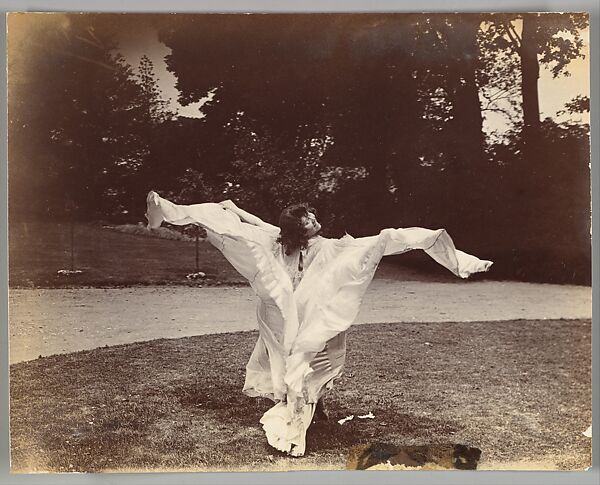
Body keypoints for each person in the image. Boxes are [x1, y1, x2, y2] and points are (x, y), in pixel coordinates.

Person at [145, 190, 492, 456]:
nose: (315, 221)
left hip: (313, 313)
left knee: (320, 357)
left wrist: (396, 241)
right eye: (308, 221)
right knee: (297, 359)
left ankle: (315, 407)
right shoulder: (282, 243)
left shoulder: (331, 247)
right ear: (297, 228)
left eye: (312, 217)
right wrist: (232, 212)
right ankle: (302, 415)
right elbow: (257, 226)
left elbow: (379, 245)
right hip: (286, 313)